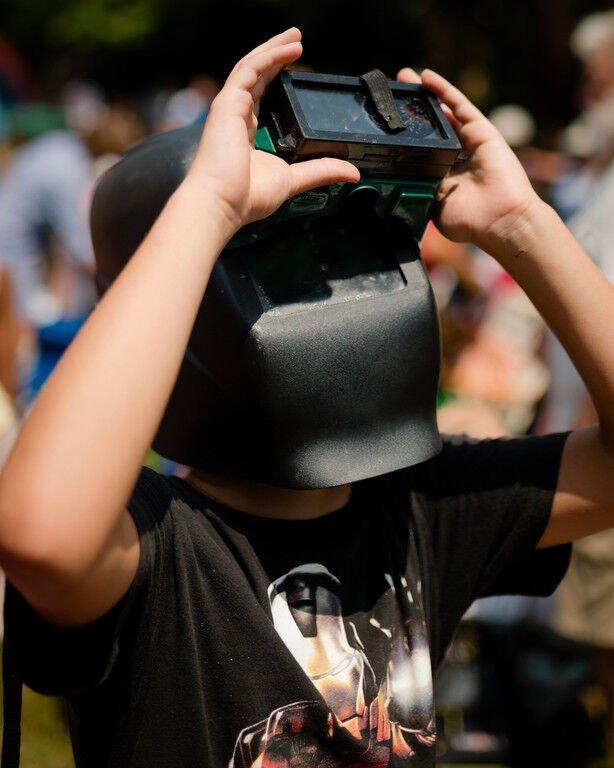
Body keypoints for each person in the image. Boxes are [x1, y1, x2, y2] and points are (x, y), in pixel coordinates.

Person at [1, 28, 614, 768]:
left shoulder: (425, 510)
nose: (333, 276)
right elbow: (40, 533)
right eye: (283, 249)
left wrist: (523, 227)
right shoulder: (157, 550)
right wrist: (207, 209)